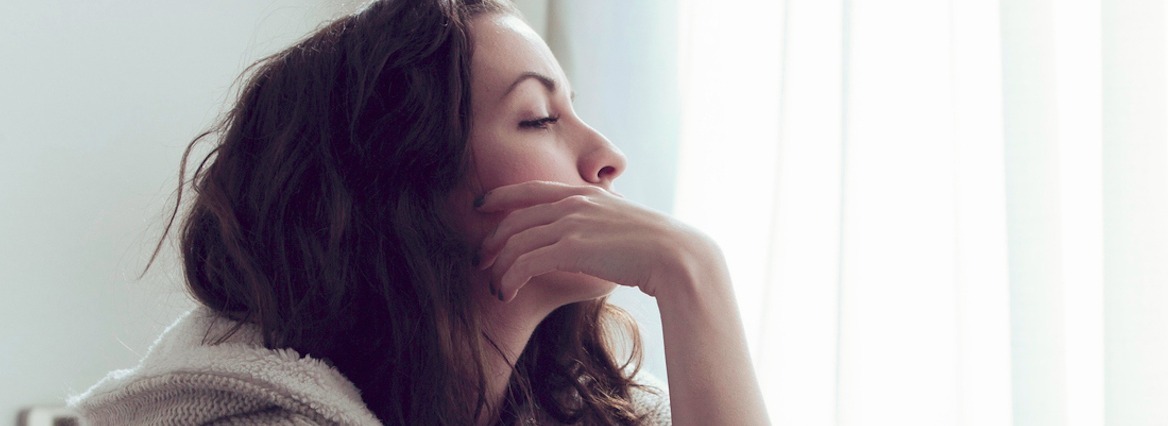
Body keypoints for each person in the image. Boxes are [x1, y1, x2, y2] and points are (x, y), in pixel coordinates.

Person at [69, 0, 769, 424]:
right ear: (406, 189)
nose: (607, 155)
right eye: (537, 118)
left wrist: (693, 275)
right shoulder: (254, 418)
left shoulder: (591, 409)